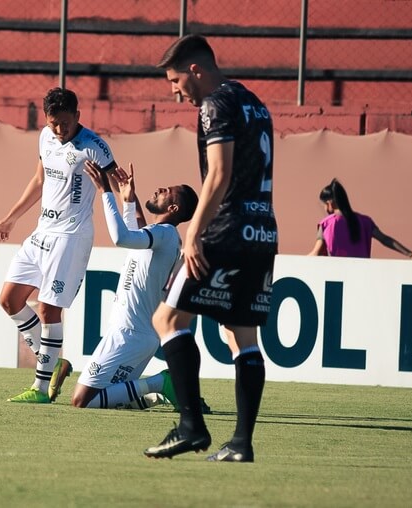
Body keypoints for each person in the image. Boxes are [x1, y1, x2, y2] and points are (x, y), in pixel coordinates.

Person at [143, 34, 277, 462]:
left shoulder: (213, 104)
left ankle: (191, 426)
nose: (174, 89)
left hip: (225, 230)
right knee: (242, 336)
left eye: (175, 80)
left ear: (196, 69)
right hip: (262, 232)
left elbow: (218, 174)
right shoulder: (254, 102)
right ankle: (241, 443)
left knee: (167, 319)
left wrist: (196, 231)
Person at [0, 87, 117, 403]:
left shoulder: (94, 147)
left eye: (64, 122)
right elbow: (39, 179)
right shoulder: (46, 138)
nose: (59, 130)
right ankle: (55, 363)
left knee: (49, 310)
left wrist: (133, 219)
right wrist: (11, 218)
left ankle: (40, 389)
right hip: (42, 232)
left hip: (71, 237)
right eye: (53, 123)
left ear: (77, 116)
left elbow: (118, 185)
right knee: (9, 300)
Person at [71, 161, 200, 411]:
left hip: (128, 334)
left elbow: (122, 237)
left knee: (81, 400)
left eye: (167, 191)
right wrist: (129, 199)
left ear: (173, 208)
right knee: (112, 401)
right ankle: (154, 394)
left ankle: (160, 383)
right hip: (138, 335)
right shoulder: (164, 235)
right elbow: (136, 229)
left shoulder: (165, 233)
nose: (160, 188)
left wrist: (105, 191)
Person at [308, 178, 412, 260]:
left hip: (337, 278)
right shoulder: (365, 221)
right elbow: (385, 239)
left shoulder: (326, 224)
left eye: (324, 203)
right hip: (362, 277)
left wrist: (293, 263)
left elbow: (316, 253)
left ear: (329, 203)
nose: (324, 207)